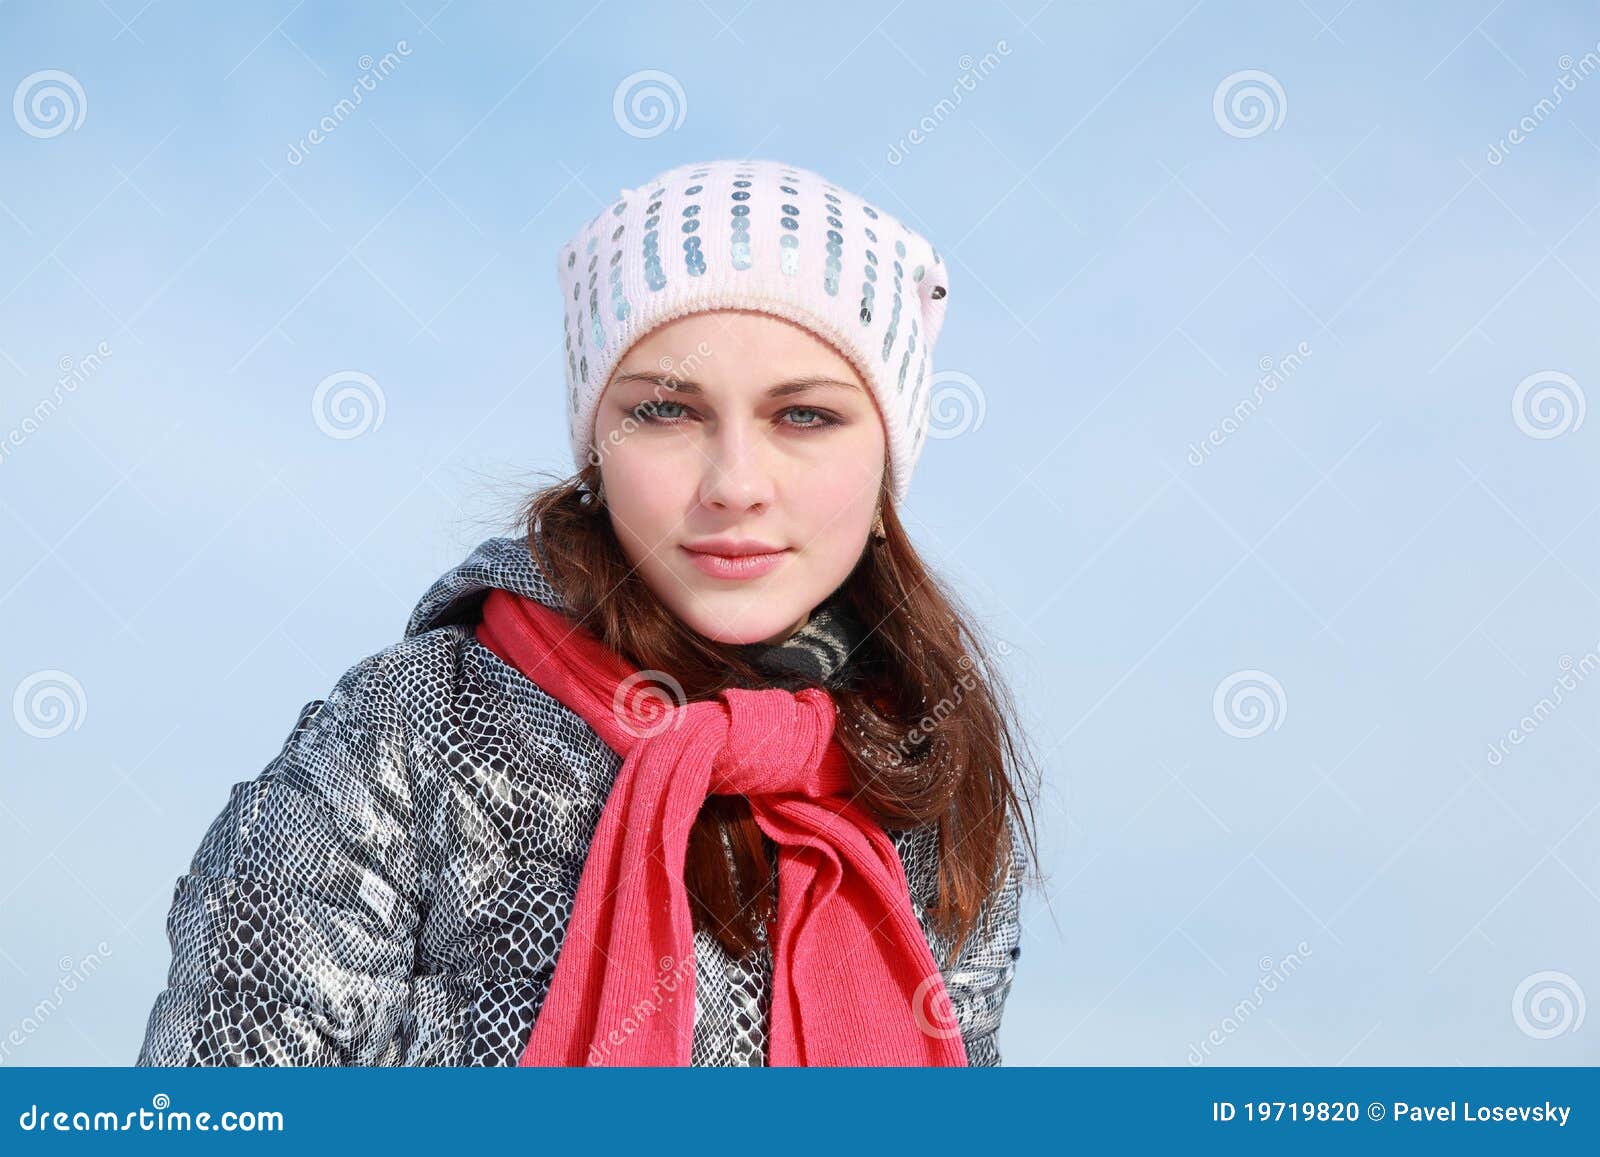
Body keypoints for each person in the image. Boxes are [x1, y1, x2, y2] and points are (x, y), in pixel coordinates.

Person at [135, 157, 1040, 1067]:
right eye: (665, 410)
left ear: (889, 452)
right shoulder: (416, 728)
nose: (734, 485)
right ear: (595, 442)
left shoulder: (919, 761)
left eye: (803, 417)